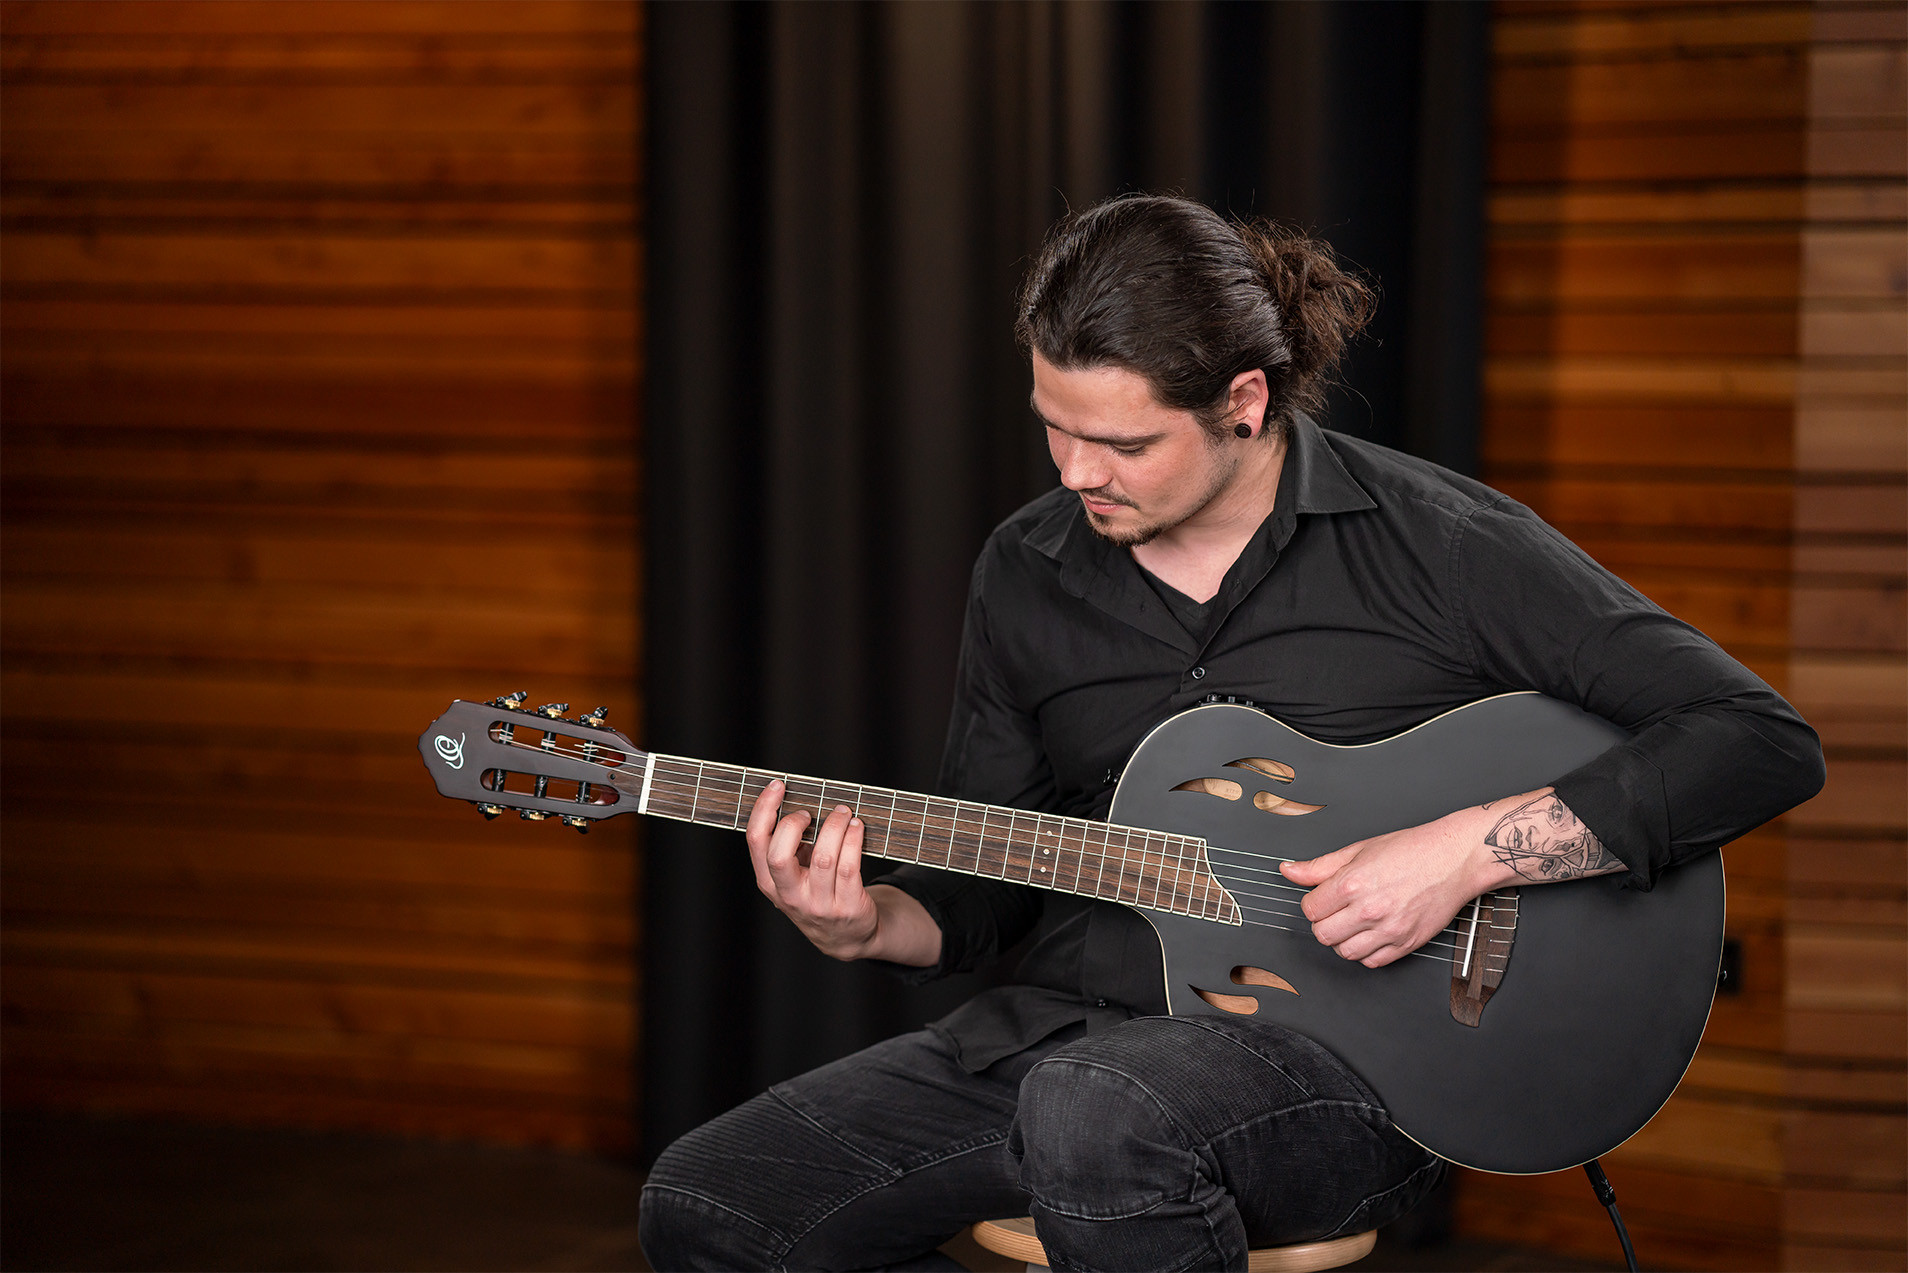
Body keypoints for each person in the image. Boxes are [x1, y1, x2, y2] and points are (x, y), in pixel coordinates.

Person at [637, 194, 1824, 1272]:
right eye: (1055, 427)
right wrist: (872, 923)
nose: (1077, 473)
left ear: (1244, 404)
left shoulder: (1440, 545)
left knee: (1097, 1110)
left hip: (1343, 1076)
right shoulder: (1028, 568)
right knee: (714, 1202)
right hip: (1062, 1041)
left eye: (1125, 445)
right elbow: (993, 872)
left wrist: (1465, 853)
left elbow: (1756, 737)